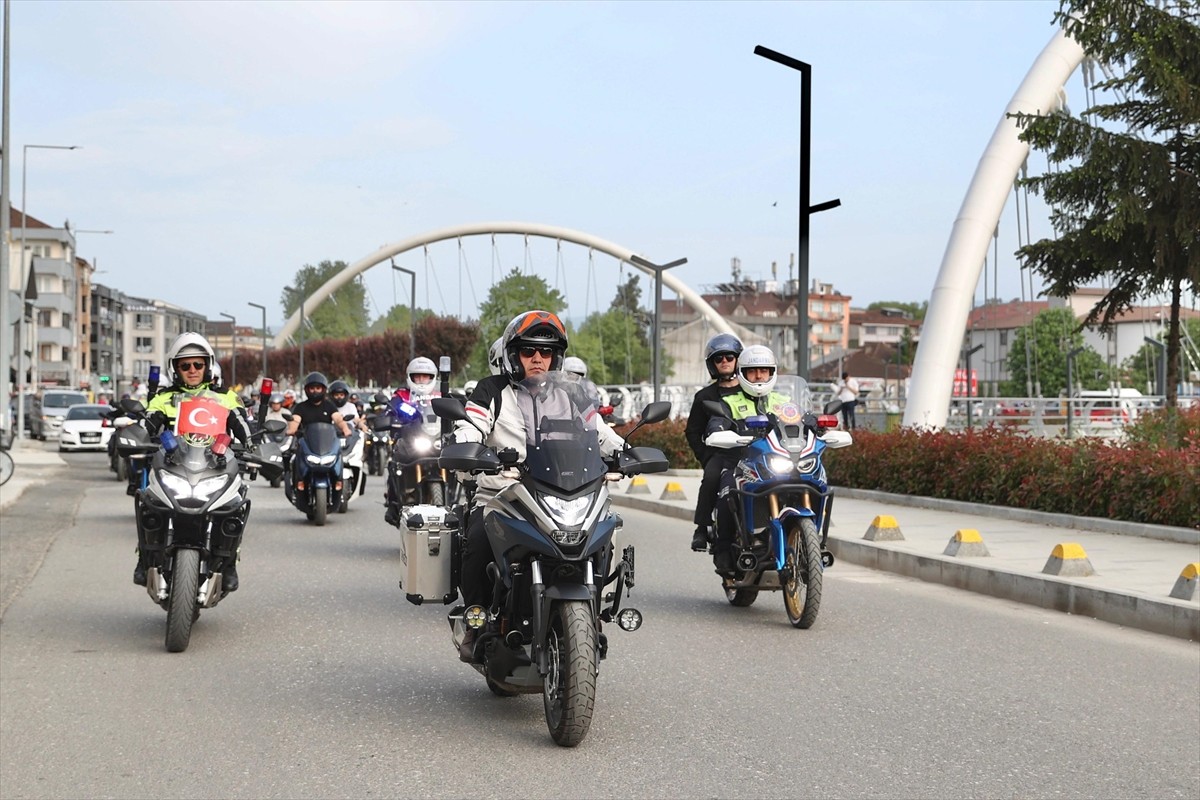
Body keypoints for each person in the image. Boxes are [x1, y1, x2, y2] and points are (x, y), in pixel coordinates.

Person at [452, 310, 627, 661]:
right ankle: (476, 619)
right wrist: (466, 447)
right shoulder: (492, 390)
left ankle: (594, 612)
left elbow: (601, 433)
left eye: (545, 352)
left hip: (563, 490)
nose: (537, 358)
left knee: (604, 532)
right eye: (528, 350)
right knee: (479, 537)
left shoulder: (572, 395)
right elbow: (471, 425)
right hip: (502, 492)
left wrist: (626, 453)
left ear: (555, 358)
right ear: (512, 355)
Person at [133, 332, 253, 589]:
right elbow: (147, 425)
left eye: (198, 364)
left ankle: (229, 563)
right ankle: (145, 558)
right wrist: (138, 436)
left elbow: (242, 425)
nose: (192, 370)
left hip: (214, 465)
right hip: (174, 465)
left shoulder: (225, 397)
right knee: (147, 502)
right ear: (175, 369)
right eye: (185, 365)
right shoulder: (163, 398)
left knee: (236, 505)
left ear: (207, 366)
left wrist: (253, 444)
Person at [704, 344, 790, 575]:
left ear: (772, 373)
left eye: (764, 370)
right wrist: (718, 430)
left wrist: (816, 423)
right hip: (740, 464)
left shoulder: (783, 401)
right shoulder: (729, 402)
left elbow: (803, 419)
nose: (759, 376)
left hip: (777, 463)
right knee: (727, 492)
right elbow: (716, 422)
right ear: (742, 373)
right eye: (753, 371)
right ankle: (723, 549)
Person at [685, 333, 744, 552]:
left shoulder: (751, 391)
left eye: (729, 357)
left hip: (754, 452)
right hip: (721, 454)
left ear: (738, 360)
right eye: (719, 358)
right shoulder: (705, 396)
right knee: (711, 478)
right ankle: (702, 528)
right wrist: (706, 456)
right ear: (712, 364)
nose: (725, 361)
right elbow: (693, 432)